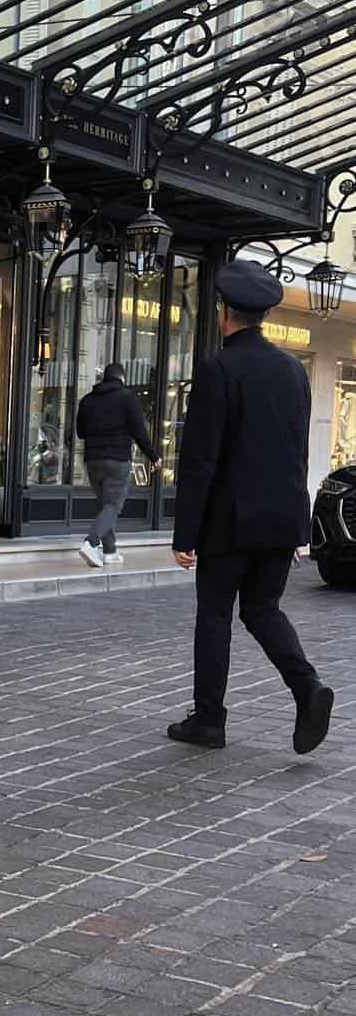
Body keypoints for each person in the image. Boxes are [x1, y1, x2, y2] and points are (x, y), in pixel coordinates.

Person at [168, 259, 334, 755]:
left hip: (229, 522)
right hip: (281, 518)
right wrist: (300, 523)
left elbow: (201, 459)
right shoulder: (293, 370)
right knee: (263, 608)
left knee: (216, 614)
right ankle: (307, 688)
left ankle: (210, 721)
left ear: (224, 313)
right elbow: (296, 450)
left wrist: (186, 535)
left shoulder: (219, 368)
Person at [74, 361, 163, 568]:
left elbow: (80, 432)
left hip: (93, 460)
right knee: (113, 505)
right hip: (117, 460)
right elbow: (139, 432)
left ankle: (110, 551)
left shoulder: (87, 400)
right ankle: (91, 543)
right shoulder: (127, 398)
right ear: (122, 379)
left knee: (106, 504)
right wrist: (153, 456)